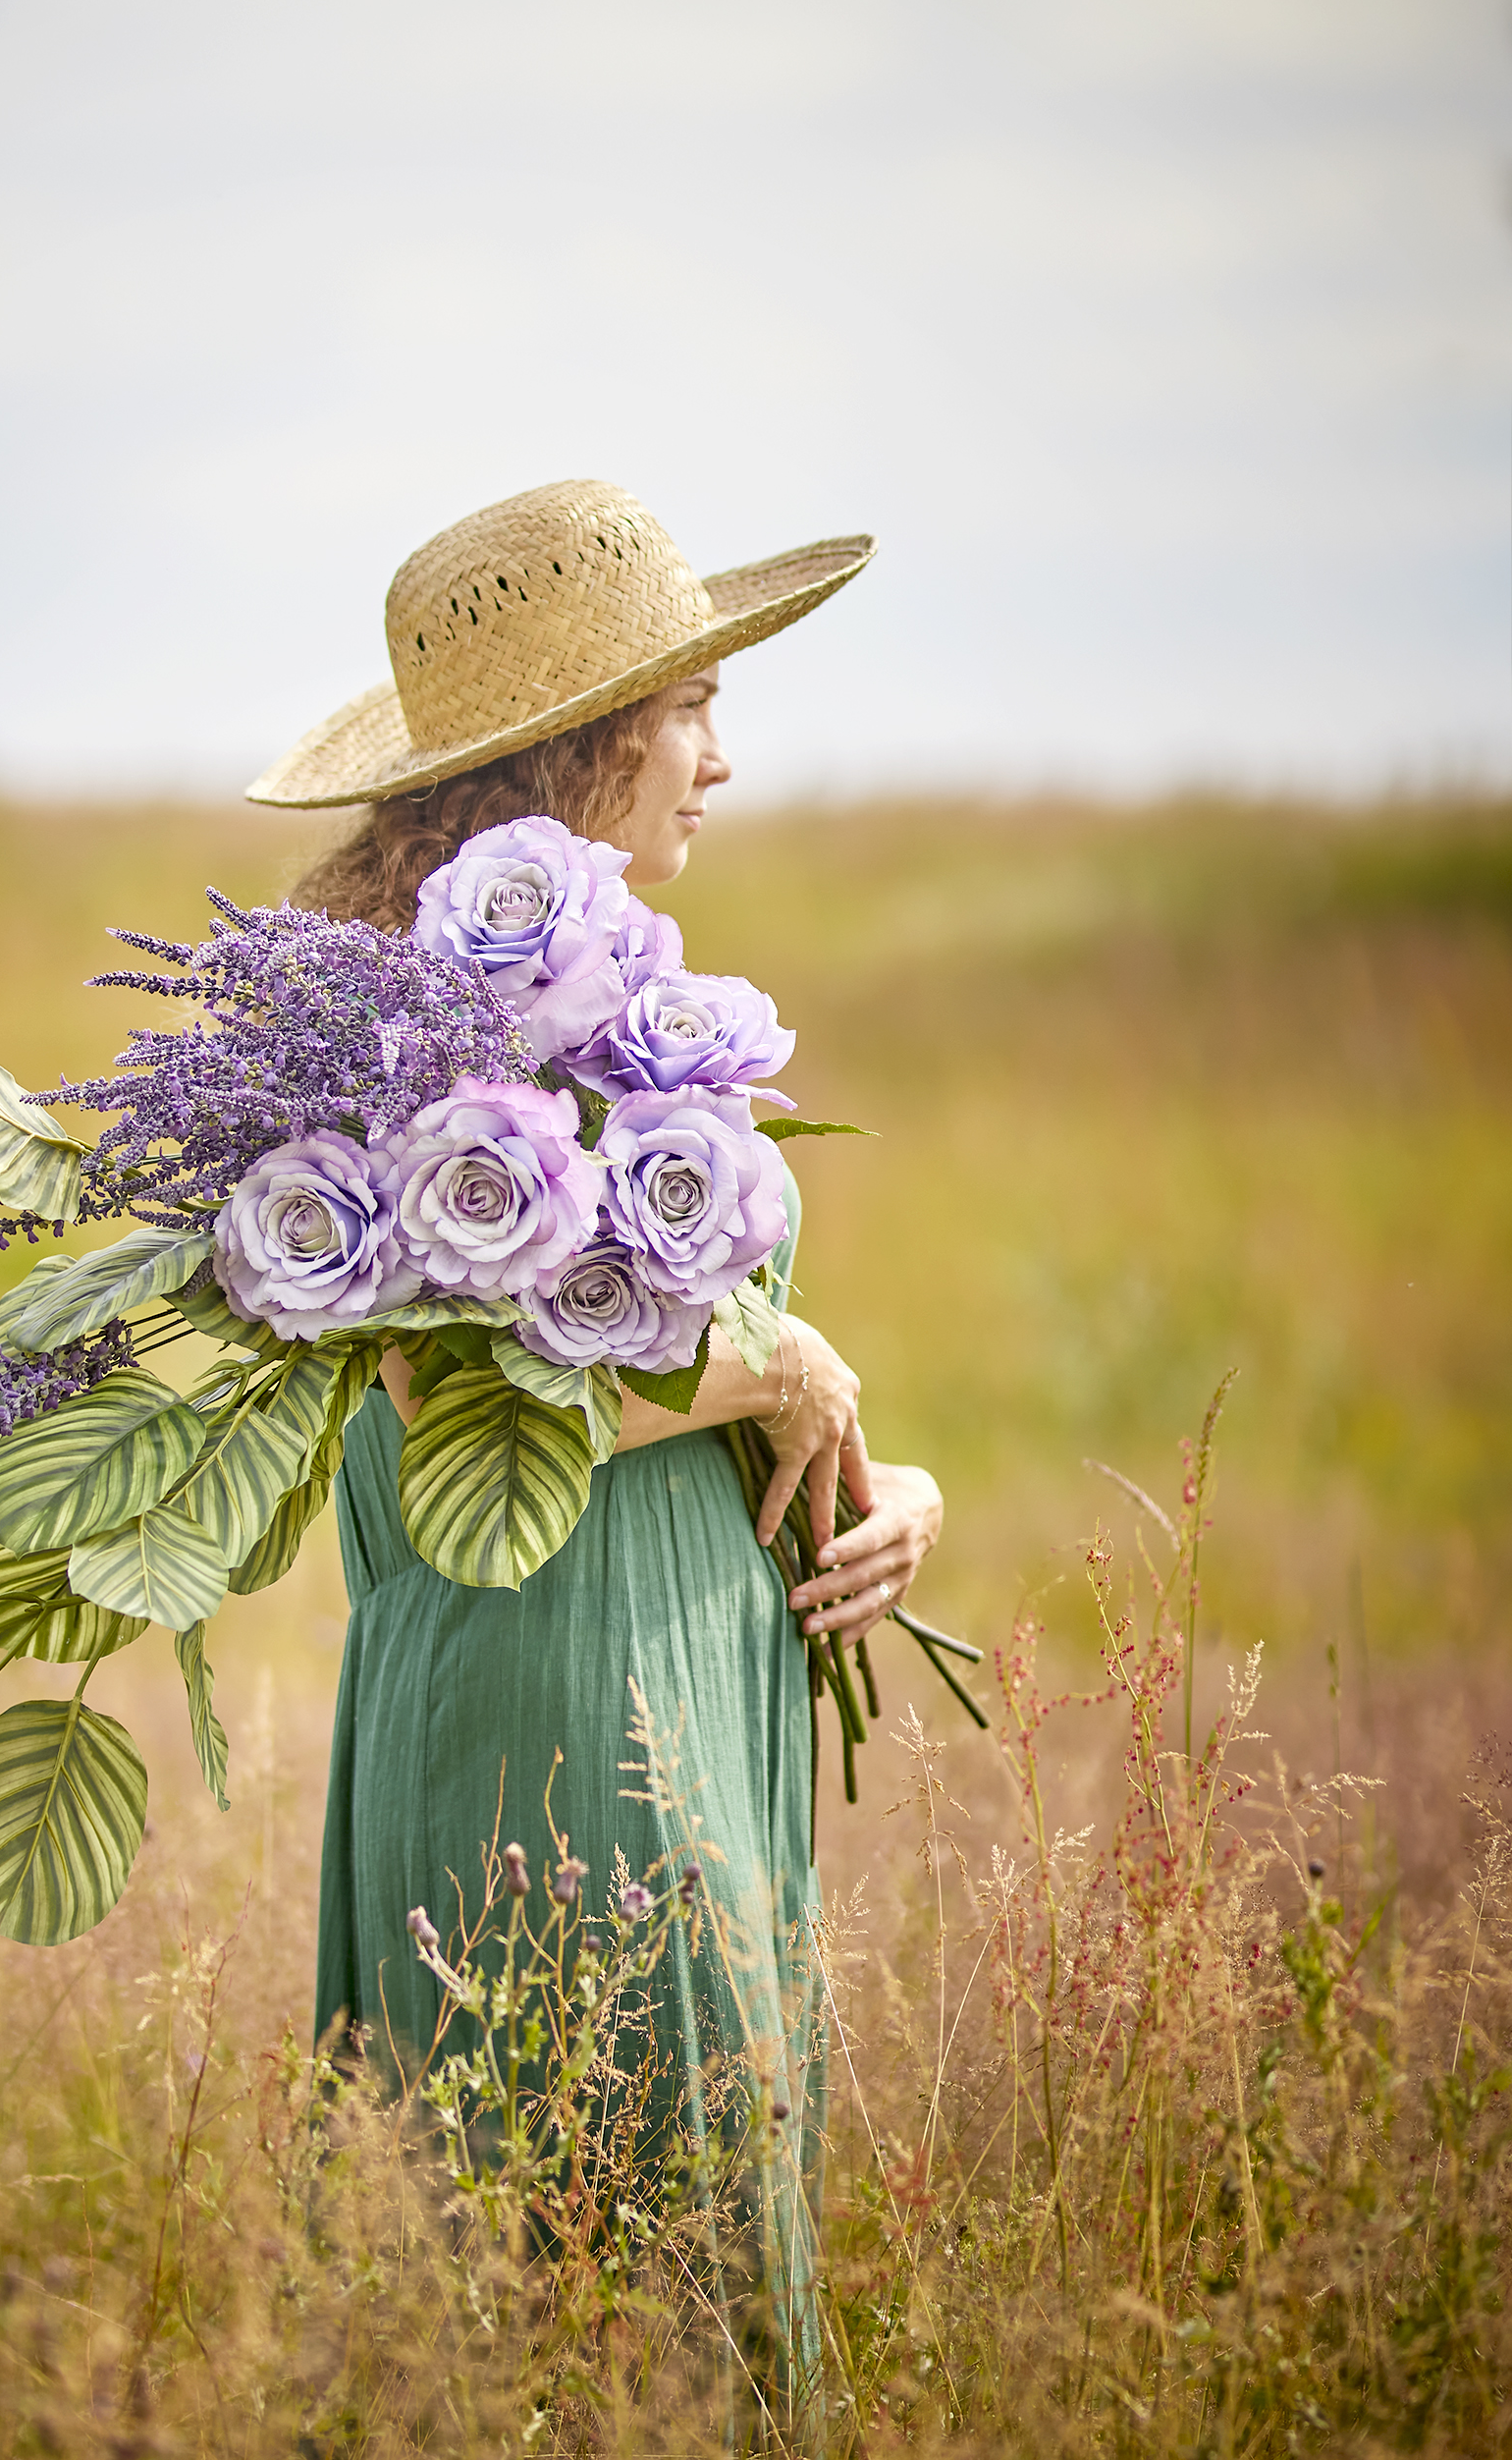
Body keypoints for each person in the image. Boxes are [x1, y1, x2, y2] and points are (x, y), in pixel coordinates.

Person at [245, 479, 944, 2411]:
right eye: (694, 703)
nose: (724, 753)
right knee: (578, 2252)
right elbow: (445, 1385)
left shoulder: (623, 1008)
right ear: (589, 736)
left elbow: (669, 1362)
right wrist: (775, 1372)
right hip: (548, 1696)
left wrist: (891, 1494)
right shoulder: (415, 1031)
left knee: (659, 2240)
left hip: (682, 1663)